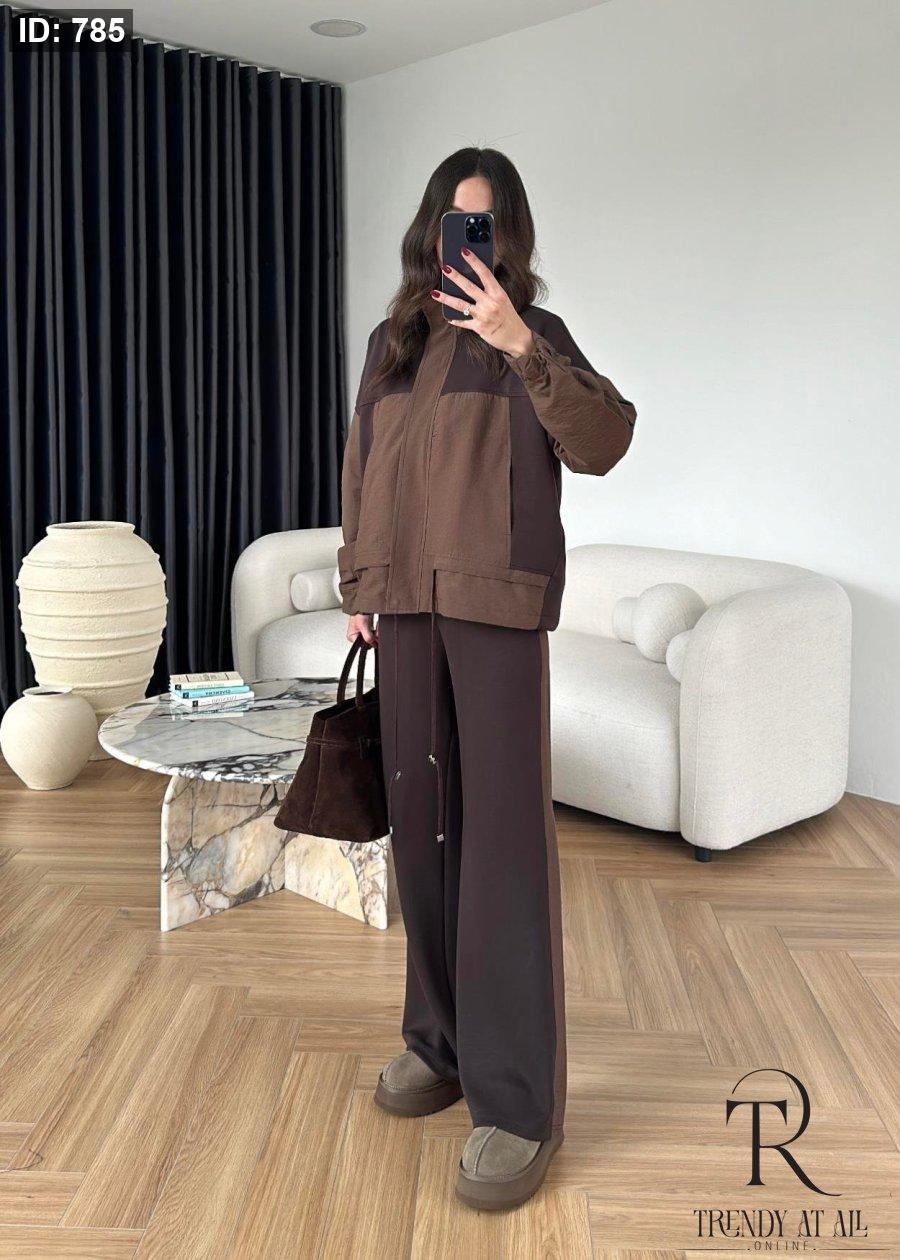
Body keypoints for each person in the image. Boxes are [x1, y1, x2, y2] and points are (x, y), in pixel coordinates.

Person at [339, 147, 636, 1210]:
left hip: (497, 608)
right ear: (430, 233)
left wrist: (520, 344)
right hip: (404, 610)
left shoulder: (533, 336)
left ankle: (517, 1104)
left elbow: (604, 443)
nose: (468, 243)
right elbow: (362, 465)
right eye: (453, 224)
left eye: (487, 226)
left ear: (509, 240)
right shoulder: (393, 344)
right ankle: (440, 1042)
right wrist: (359, 578)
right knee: (420, 833)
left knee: (502, 845)